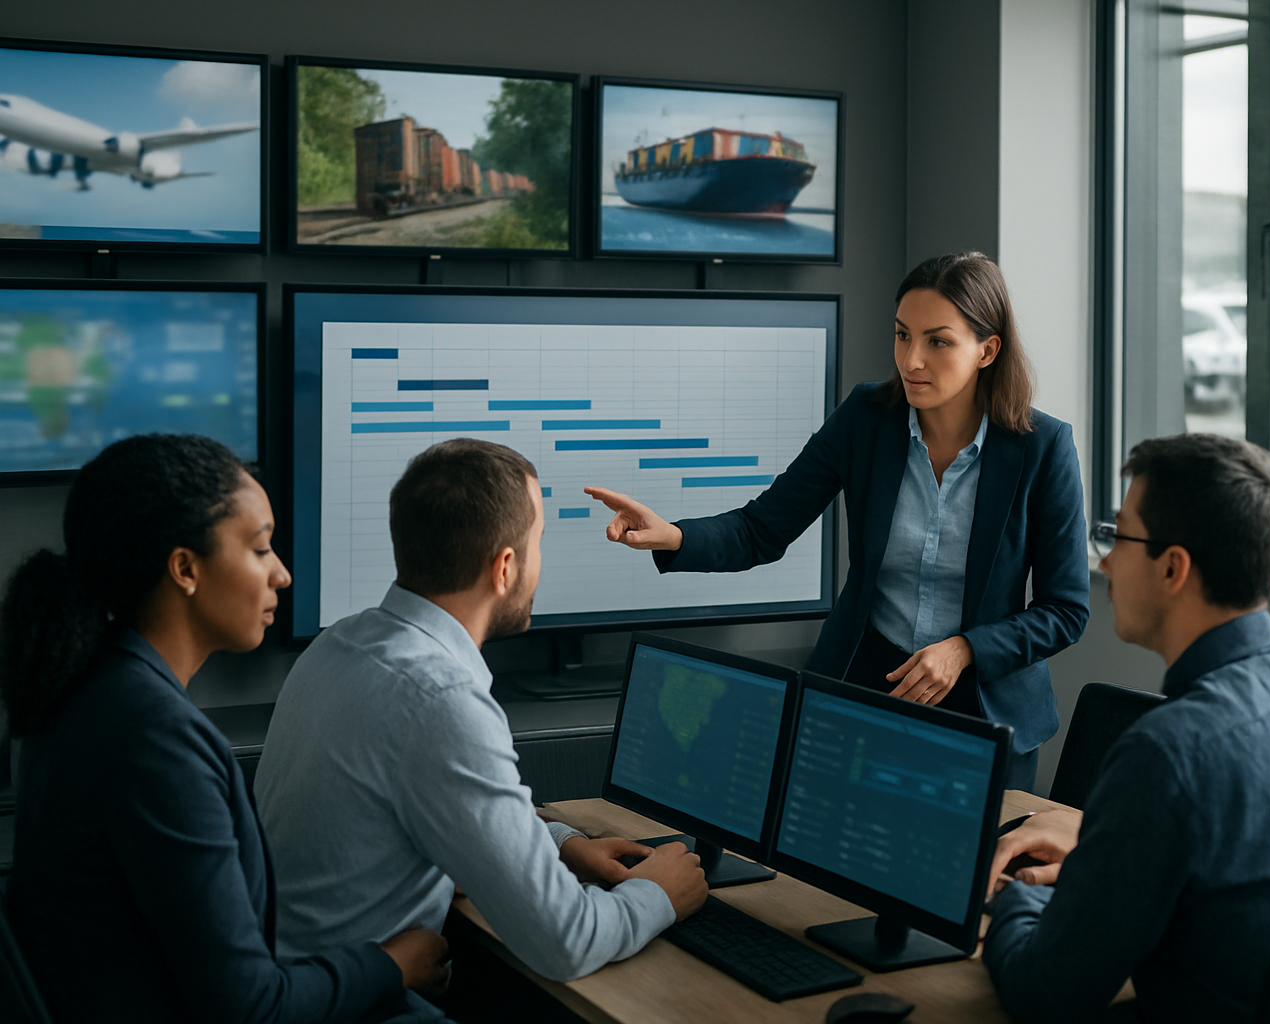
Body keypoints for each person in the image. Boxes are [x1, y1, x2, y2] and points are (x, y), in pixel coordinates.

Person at [586, 252, 1089, 789]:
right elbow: (762, 528)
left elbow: (1065, 609)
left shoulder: (1043, 447)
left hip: (988, 709)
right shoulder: (866, 419)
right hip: (864, 690)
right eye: (902, 335)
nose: (911, 360)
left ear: (987, 350)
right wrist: (676, 536)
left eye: (937, 341)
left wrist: (965, 649)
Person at [0, 434, 448, 1024]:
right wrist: (393, 962)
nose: (282, 575)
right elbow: (250, 1007)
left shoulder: (90, 690)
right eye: (261, 549)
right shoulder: (154, 738)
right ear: (185, 568)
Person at [984, 434, 1270, 1023]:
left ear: (1173, 568)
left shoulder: (1165, 754)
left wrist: (1024, 898)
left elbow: (1046, 994)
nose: (1108, 560)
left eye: (1119, 535)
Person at [255, 439, 706, 1007]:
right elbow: (565, 940)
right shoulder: (439, 699)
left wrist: (561, 843)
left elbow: (435, 805)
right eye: (538, 543)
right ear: (505, 568)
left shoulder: (340, 644)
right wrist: (658, 893)